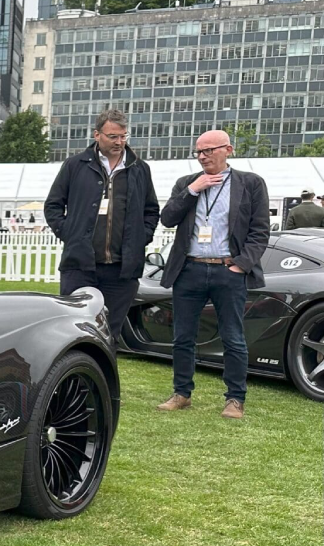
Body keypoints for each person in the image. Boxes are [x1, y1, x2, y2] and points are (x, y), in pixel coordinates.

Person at [156, 130, 270, 419]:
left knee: (233, 337)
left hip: (228, 270)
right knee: (182, 337)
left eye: (209, 150)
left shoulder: (251, 183)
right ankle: (181, 393)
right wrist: (194, 189)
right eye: (198, 151)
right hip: (189, 269)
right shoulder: (187, 183)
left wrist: (241, 265)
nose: (202, 156)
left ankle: (235, 399)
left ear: (227, 149)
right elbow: (168, 218)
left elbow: (259, 231)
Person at [43, 108, 160, 338]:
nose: (119, 142)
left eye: (123, 136)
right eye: (113, 136)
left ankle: (103, 374)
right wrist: (70, 234)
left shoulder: (139, 169)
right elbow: (53, 205)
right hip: (80, 267)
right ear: (97, 135)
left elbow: (151, 210)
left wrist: (141, 238)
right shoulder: (75, 165)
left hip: (122, 271)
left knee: (109, 335)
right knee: (72, 331)